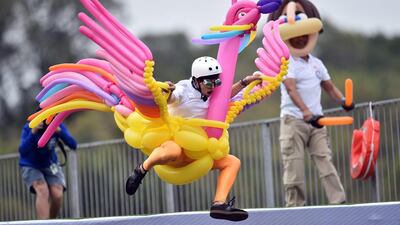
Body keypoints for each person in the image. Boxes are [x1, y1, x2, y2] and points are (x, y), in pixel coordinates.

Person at [125, 56, 261, 221]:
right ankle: (141, 170)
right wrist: (167, 92)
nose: (213, 88)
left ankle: (219, 204)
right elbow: (173, 96)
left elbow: (224, 96)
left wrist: (244, 82)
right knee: (173, 151)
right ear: (197, 81)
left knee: (232, 162)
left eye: (216, 83)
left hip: (197, 149)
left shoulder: (211, 89)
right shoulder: (184, 89)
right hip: (176, 141)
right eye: (209, 84)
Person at [267, 0, 354, 207]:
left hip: (317, 121)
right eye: (295, 36)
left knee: (325, 161)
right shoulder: (287, 62)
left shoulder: (317, 63)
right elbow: (291, 89)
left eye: (303, 36)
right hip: (293, 121)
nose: (299, 39)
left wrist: (343, 101)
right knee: (293, 167)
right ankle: (295, 208)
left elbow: (330, 87)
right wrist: (305, 111)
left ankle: (338, 202)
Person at [19, 120, 77, 219]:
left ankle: (51, 221)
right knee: (42, 190)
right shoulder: (29, 126)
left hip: (50, 164)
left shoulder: (57, 124)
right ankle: (44, 222)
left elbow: (73, 144)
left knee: (57, 194)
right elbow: (22, 151)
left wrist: (59, 131)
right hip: (31, 165)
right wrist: (33, 132)